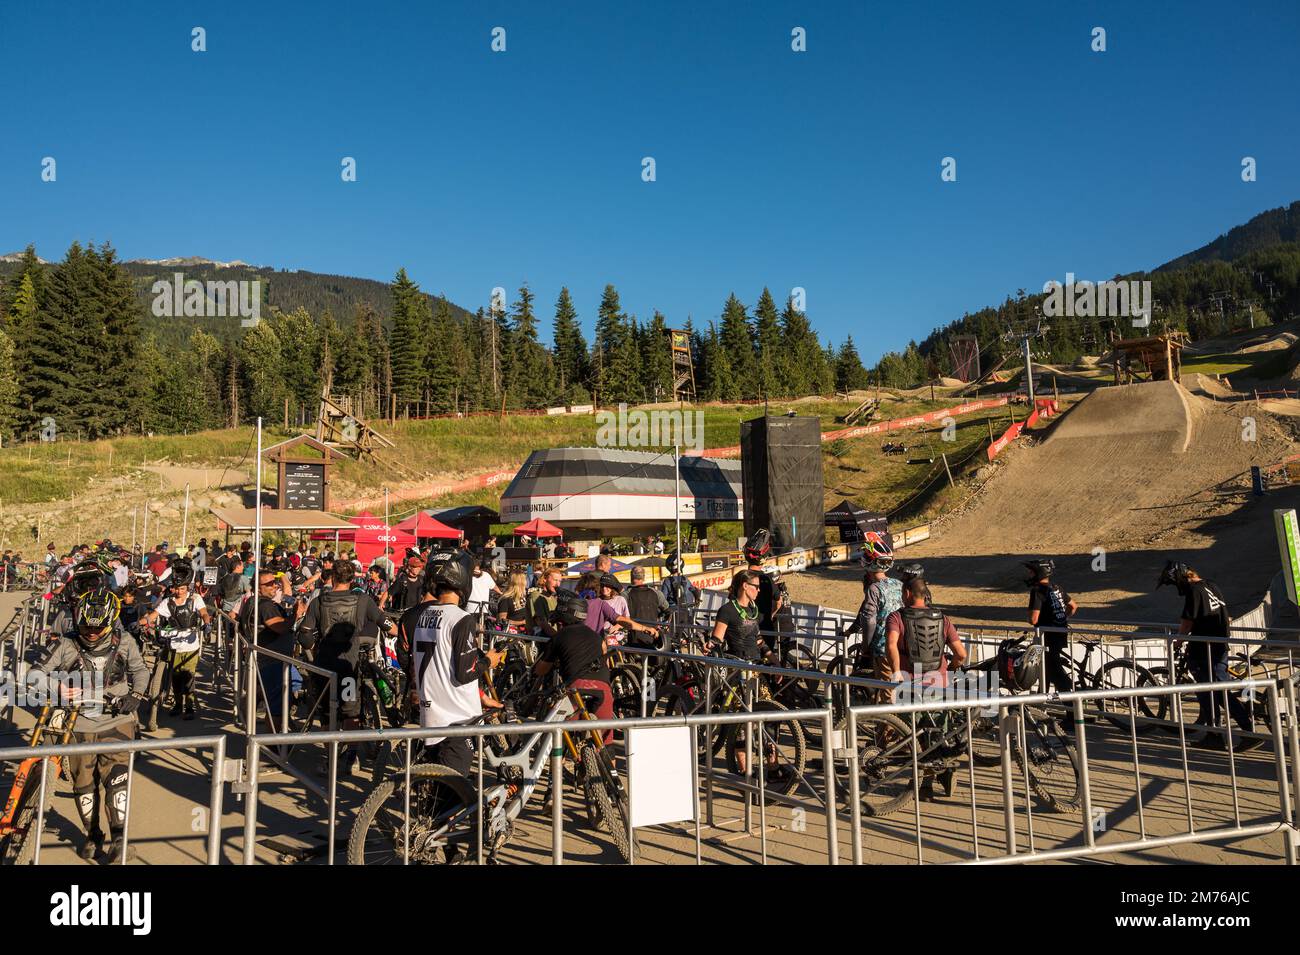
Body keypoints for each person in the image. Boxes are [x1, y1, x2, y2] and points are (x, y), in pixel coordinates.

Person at [29, 587, 149, 861]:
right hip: (79, 725)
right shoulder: (66, 643)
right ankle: (92, 835)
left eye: (98, 629)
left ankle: (120, 838)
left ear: (110, 623)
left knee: (117, 779)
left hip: (117, 722)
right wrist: (56, 686)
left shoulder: (125, 641)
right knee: (83, 785)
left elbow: (140, 670)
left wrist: (136, 695)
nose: (92, 634)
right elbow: (34, 674)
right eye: (86, 628)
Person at [404, 552, 505, 776]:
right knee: (454, 793)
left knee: (435, 788)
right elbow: (464, 672)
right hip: (457, 717)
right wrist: (489, 660)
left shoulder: (425, 614)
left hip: (431, 713)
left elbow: (441, 665)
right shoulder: (461, 618)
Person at [1158, 560, 1259, 750]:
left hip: (1204, 650)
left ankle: (1246, 731)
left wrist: (1178, 641)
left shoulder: (1194, 592)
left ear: (1180, 578)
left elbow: (1187, 621)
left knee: (1213, 692)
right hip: (1219, 646)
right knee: (1217, 691)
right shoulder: (1211, 585)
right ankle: (1216, 734)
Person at [297, 560, 395, 734]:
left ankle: (331, 758)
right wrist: (404, 635)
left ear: (333, 576)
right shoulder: (363, 600)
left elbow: (304, 636)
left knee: (327, 714)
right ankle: (350, 757)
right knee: (351, 713)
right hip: (349, 665)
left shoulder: (318, 602)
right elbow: (386, 623)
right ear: (352, 579)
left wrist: (311, 647)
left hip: (324, 664)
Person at [534, 592, 614, 737]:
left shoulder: (559, 637)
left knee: (560, 735)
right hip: (603, 687)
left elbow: (541, 670)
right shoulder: (597, 637)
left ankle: (561, 757)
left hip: (576, 687)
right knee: (606, 744)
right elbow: (604, 655)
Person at [844, 545, 904, 700]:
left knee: (888, 692)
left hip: (883, 647)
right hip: (902, 643)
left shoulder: (874, 589)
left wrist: (866, 646)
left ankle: (889, 723)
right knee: (899, 688)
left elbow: (868, 620)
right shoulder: (899, 584)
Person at [238, 568, 296, 723]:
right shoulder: (265, 606)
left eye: (274, 582)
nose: (274, 586)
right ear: (258, 587)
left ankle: (248, 706)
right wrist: (296, 615)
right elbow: (280, 627)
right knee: (280, 700)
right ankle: (276, 743)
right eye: (269, 584)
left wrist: (282, 578)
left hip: (262, 656)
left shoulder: (251, 601)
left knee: (269, 690)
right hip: (272, 659)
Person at [1024, 558, 1077, 692]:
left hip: (1047, 638)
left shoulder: (1037, 591)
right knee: (1046, 668)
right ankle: (1041, 700)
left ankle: (1073, 704)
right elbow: (1073, 606)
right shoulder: (1057, 588)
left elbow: (1034, 619)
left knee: (1055, 672)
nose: (1029, 575)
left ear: (1039, 573)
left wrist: (1029, 616)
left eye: (1031, 572)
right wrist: (1061, 617)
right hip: (1060, 633)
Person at [660, 552, 700, 633]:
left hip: (672, 614)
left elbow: (662, 598)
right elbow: (694, 590)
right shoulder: (685, 579)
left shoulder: (667, 581)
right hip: (686, 612)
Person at [625, 565, 669, 636]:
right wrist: (660, 621)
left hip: (633, 637)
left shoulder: (626, 595)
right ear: (643, 577)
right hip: (653, 636)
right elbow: (668, 611)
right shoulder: (657, 593)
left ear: (631, 577)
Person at [495, 566, 530, 632]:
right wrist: (522, 622)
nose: (526, 582)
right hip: (512, 634)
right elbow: (502, 620)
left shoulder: (525, 596)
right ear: (521, 582)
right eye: (525, 579)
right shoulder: (506, 599)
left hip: (526, 631)